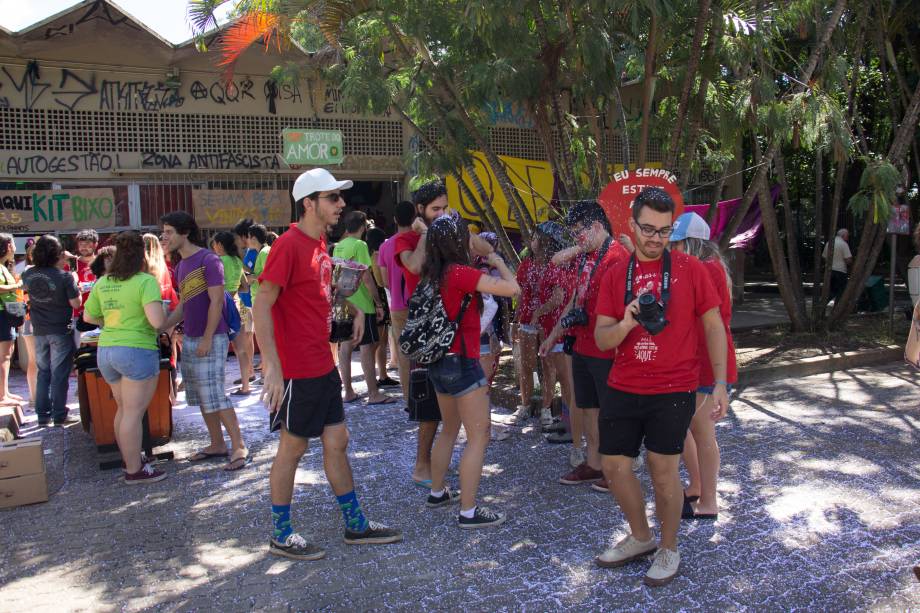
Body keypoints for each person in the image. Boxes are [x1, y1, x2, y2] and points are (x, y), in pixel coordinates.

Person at [255, 167, 401, 559]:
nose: (342, 205)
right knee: (293, 448)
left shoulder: (320, 241)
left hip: (321, 363)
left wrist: (351, 306)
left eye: (340, 198)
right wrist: (271, 366)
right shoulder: (287, 245)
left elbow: (322, 288)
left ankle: (356, 525)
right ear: (309, 203)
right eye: (333, 198)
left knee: (337, 441)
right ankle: (281, 534)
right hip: (297, 368)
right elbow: (262, 304)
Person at [592, 187, 729, 586]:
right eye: (648, 229)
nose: (655, 238)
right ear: (632, 225)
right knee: (615, 466)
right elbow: (603, 339)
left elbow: (714, 326)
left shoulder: (691, 269)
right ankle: (641, 537)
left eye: (664, 231)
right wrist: (627, 321)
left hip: (675, 386)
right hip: (624, 383)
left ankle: (669, 548)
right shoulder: (616, 273)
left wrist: (719, 382)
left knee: (663, 470)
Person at [422, 214, 520, 527]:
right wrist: (493, 257)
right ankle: (468, 511)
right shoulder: (460, 273)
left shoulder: (432, 274)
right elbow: (512, 288)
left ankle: (438, 492)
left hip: (438, 361)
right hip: (462, 362)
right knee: (480, 436)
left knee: (449, 429)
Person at [539, 200, 629, 491]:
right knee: (588, 407)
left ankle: (616, 468)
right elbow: (575, 300)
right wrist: (553, 334)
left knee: (611, 410)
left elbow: (624, 308)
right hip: (582, 344)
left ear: (597, 227)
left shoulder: (617, 257)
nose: (577, 238)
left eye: (580, 232)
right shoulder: (587, 256)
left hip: (608, 348)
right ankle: (594, 463)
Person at [161, 212, 249, 472]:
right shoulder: (180, 266)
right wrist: (161, 326)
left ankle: (239, 446)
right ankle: (217, 444)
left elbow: (217, 301)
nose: (164, 237)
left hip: (212, 337)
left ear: (185, 232)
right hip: (191, 337)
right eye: (163, 232)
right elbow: (184, 306)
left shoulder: (209, 260)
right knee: (200, 395)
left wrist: (208, 337)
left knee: (215, 394)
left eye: (169, 231)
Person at [666, 213, 737, 521]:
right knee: (686, 427)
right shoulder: (708, 267)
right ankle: (697, 485)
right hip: (694, 362)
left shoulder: (703, 271)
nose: (670, 250)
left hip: (707, 365)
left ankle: (708, 500)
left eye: (675, 244)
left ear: (689, 244)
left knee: (702, 432)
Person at [82, 231, 167, 483]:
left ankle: (130, 460)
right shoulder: (145, 281)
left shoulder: (104, 281)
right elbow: (157, 322)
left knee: (124, 409)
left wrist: (111, 322)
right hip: (136, 350)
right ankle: (134, 470)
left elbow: (88, 317)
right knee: (133, 412)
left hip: (106, 349)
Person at [394, 181, 450, 487]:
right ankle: (421, 466)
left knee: (448, 405)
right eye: (434, 209)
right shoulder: (407, 239)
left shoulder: (446, 232)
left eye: (444, 208)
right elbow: (414, 267)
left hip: (449, 327)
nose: (440, 214)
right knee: (429, 407)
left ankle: (437, 461)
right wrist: (427, 235)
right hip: (425, 331)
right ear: (420, 211)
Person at [530, 223, 580, 462]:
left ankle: (572, 429)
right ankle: (567, 422)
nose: (532, 241)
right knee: (565, 380)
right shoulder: (567, 264)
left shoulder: (556, 265)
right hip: (559, 330)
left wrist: (539, 312)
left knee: (567, 382)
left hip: (559, 332)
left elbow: (560, 296)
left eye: (535, 237)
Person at [333, 211, 393, 406]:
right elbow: (366, 277)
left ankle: (348, 390)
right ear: (363, 227)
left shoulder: (339, 246)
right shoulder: (360, 245)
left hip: (342, 302)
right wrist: (377, 302)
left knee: (346, 346)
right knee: (367, 347)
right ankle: (373, 393)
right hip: (362, 304)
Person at [20, 235, 82, 426]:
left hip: (39, 329)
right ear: (57, 254)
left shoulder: (28, 274)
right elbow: (76, 303)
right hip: (60, 328)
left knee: (43, 372)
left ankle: (42, 416)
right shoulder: (64, 276)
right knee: (59, 374)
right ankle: (59, 414)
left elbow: (26, 295)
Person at [377, 201, 415, 399]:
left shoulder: (385, 246)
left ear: (394, 220)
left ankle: (409, 400)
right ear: (415, 216)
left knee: (404, 355)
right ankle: (430, 398)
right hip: (421, 305)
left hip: (398, 305)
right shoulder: (421, 240)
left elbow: (384, 281)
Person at [211, 231, 253, 396]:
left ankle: (218, 389)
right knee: (241, 349)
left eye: (214, 244)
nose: (213, 247)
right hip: (238, 304)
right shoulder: (236, 261)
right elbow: (245, 286)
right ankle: (245, 386)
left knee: (219, 348)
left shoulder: (219, 261)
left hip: (222, 306)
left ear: (220, 244)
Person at [510, 244, 543, 425]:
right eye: (534, 238)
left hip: (549, 322)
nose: (537, 242)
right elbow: (520, 294)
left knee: (549, 368)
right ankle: (525, 405)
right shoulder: (526, 265)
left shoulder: (556, 264)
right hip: (528, 320)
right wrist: (516, 320)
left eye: (541, 239)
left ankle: (546, 408)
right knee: (526, 365)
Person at [365, 226, 399, 389]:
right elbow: (381, 281)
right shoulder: (377, 256)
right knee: (378, 341)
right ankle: (374, 376)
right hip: (380, 298)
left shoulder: (368, 254)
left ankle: (382, 375)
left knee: (381, 340)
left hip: (374, 299)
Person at [232, 219, 258, 385]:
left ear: (245, 236)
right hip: (248, 300)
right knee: (248, 337)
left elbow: (253, 276)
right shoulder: (251, 251)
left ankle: (249, 372)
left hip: (249, 300)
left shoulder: (253, 252)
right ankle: (250, 371)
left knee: (247, 338)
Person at [0, 234, 24, 407]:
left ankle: (4, 391)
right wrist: (17, 286)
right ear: (8, 246)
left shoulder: (3, 266)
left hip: (6, 314)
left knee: (7, 354)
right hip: (2, 315)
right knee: (4, 355)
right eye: (13, 244)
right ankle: (2, 396)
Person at [17, 238, 38, 406]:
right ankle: (35, 398)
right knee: (37, 361)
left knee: (34, 360)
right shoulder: (30, 271)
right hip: (34, 319)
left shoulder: (24, 271)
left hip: (29, 319)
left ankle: (34, 398)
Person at [71, 229, 98, 344]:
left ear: (95, 244)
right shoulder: (72, 264)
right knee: (79, 350)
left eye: (87, 244)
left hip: (98, 313)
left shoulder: (102, 262)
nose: (83, 247)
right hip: (78, 314)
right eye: (81, 244)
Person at [823, 228, 852, 302]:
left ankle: (823, 304)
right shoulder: (843, 244)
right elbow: (847, 259)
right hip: (840, 271)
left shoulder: (829, 242)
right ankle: (837, 308)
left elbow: (824, 257)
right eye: (847, 236)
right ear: (843, 235)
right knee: (840, 291)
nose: (848, 238)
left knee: (831, 291)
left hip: (830, 270)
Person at [246, 223, 271, 308]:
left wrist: (252, 277)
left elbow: (269, 277)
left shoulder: (265, 252)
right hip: (260, 302)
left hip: (262, 303)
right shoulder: (263, 251)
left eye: (248, 237)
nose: (247, 240)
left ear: (253, 239)